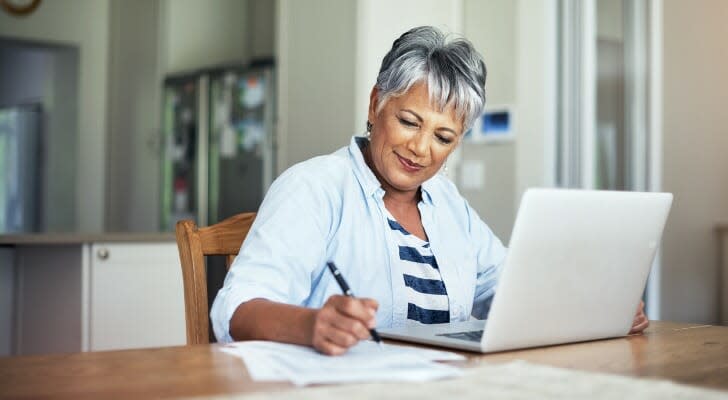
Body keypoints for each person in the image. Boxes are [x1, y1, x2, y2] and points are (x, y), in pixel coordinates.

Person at [210, 26, 649, 355]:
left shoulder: (447, 202)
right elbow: (236, 310)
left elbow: (508, 291)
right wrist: (311, 325)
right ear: (375, 103)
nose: (421, 150)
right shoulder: (314, 188)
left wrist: (595, 308)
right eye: (409, 122)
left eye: (443, 137)